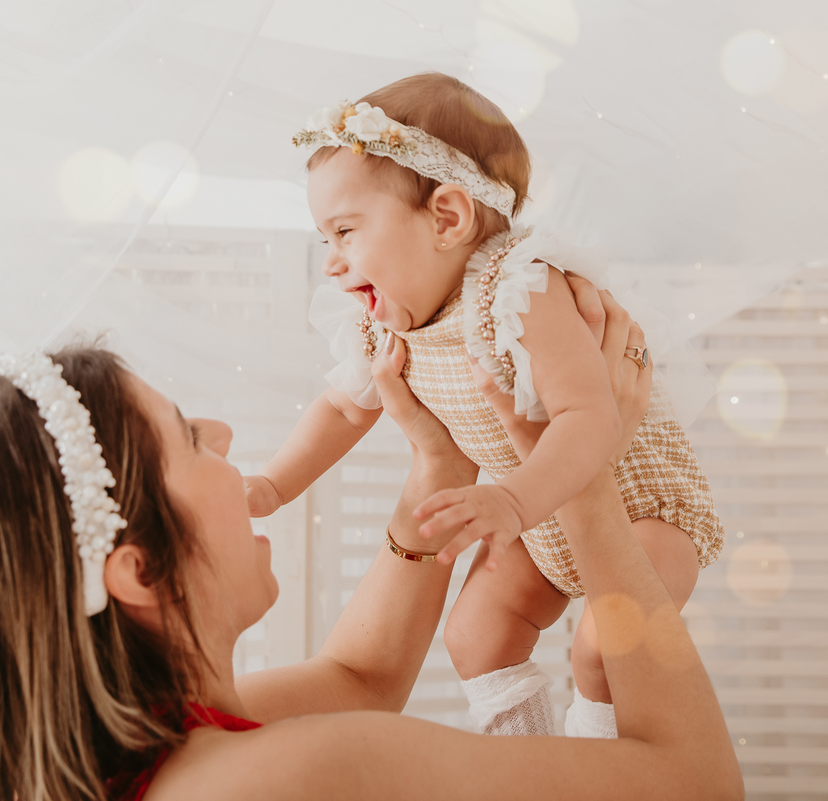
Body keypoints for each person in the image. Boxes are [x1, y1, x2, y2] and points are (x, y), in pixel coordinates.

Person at [0, 282, 742, 801]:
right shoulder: (302, 772)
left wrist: (438, 463)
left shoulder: (159, 751)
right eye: (188, 439)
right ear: (139, 569)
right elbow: (696, 787)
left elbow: (360, 679)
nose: (221, 432)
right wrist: (583, 477)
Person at [244, 73, 723, 737]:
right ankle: (525, 762)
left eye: (345, 231)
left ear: (447, 217)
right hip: (532, 519)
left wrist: (514, 502)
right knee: (473, 634)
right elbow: (344, 408)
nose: (330, 262)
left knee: (604, 648)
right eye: (326, 238)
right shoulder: (386, 322)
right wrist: (274, 485)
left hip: (639, 510)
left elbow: (590, 418)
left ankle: (599, 768)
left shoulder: (519, 289)